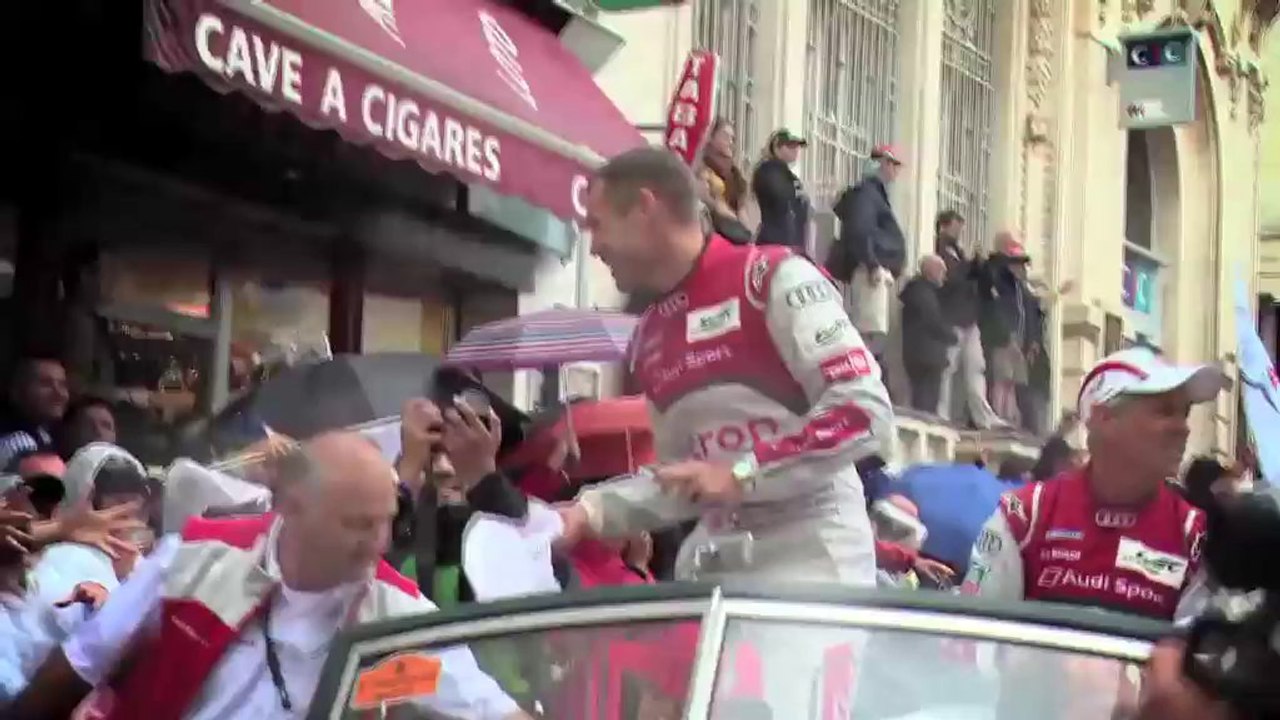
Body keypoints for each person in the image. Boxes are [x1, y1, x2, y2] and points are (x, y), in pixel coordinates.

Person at [7, 431, 530, 720]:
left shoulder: (398, 617)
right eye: (356, 523)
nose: (378, 543)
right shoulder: (193, 558)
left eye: (387, 521)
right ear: (291, 507)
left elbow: (492, 711)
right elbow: (78, 665)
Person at [564, 146, 893, 585]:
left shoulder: (774, 278)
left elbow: (866, 413)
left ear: (645, 208)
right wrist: (587, 513)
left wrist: (742, 473)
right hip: (719, 567)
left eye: (598, 226)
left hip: (815, 561)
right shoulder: (649, 336)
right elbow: (683, 481)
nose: (594, 248)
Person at [960, 347, 1220, 621]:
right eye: (1164, 411)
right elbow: (974, 633)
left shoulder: (1195, 534)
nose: (1183, 428)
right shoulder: (1024, 514)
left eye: (1184, 413)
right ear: (1104, 419)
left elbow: (1197, 642)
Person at [934, 213, 1003, 429]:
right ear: (943, 227)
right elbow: (952, 278)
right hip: (952, 317)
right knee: (948, 367)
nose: (958, 232)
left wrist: (978, 263)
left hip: (969, 318)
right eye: (955, 227)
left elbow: (972, 277)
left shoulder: (958, 251)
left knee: (976, 367)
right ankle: (942, 413)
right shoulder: (939, 249)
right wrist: (970, 264)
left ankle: (983, 416)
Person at [899, 254, 956, 413]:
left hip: (921, 354)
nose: (944, 277)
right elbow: (933, 321)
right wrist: (952, 336)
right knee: (926, 402)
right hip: (926, 356)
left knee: (922, 399)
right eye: (942, 272)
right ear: (932, 272)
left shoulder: (918, 291)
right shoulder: (923, 293)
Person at [0, 358, 70, 471]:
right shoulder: (17, 443)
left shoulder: (46, 434)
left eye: (62, 385)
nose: (59, 393)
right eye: (45, 384)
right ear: (17, 392)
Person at [751, 129, 812, 253]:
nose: (795, 150)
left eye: (797, 146)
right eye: (790, 146)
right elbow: (781, 197)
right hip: (773, 244)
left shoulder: (789, 176)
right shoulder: (767, 171)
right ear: (776, 147)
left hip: (792, 245)